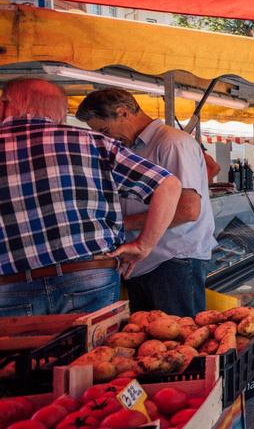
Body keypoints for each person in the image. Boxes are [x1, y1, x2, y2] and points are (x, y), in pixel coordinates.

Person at [0, 78, 180, 316]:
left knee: (26, 353)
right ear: (60, 111)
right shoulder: (92, 142)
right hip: (88, 273)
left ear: (6, 105)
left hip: (10, 283)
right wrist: (142, 246)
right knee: (92, 351)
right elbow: (168, 185)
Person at [76, 88, 218, 315]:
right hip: (142, 261)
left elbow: (187, 209)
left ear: (122, 113)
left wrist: (125, 223)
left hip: (173, 261)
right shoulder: (127, 149)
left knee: (179, 343)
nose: (107, 139)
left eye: (105, 130)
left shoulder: (172, 143)